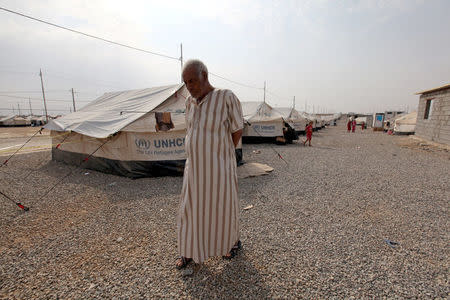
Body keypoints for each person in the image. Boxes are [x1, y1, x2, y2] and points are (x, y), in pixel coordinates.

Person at [176, 59, 244, 269]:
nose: (189, 86)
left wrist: (221, 155)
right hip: (194, 169)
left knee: (222, 209)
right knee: (190, 209)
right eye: (185, 82)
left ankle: (231, 244)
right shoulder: (189, 102)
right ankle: (188, 251)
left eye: (192, 81)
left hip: (219, 170)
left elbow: (237, 129)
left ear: (204, 75)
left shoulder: (226, 97)